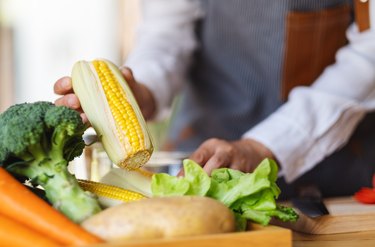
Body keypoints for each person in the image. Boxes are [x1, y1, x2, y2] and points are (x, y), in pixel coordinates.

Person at [55, 0, 375, 199]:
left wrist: (264, 146)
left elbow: (369, 56)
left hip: (333, 171)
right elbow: (166, 32)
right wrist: (140, 93)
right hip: (200, 161)